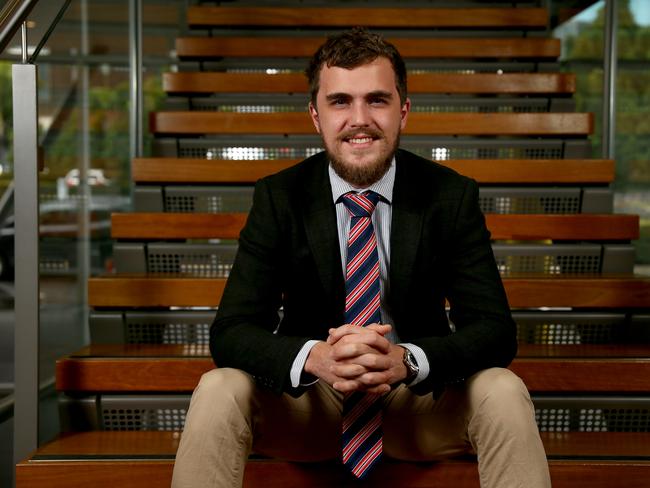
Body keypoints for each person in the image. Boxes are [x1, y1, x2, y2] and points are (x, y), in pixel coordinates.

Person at [171, 28, 551, 488]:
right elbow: (231, 332)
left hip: (414, 406)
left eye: (376, 100)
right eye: (340, 102)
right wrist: (315, 358)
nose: (359, 119)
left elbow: (494, 332)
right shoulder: (280, 196)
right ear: (315, 115)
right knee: (218, 389)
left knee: (503, 390)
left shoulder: (449, 195)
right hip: (311, 409)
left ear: (403, 110)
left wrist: (406, 360)